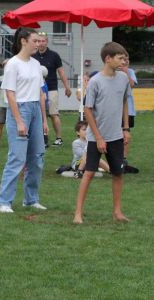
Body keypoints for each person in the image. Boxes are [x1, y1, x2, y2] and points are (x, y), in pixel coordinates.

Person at [73, 42, 131, 224]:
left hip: (116, 136)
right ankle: (78, 214)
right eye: (120, 58)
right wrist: (98, 137)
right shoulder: (95, 81)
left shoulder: (123, 78)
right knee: (89, 173)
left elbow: (124, 103)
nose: (124, 61)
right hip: (95, 138)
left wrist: (126, 129)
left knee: (118, 174)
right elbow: (88, 109)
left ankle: (117, 212)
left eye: (124, 58)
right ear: (108, 58)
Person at [0, 28, 49, 214]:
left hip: (35, 109)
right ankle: (3, 202)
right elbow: (10, 93)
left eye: (39, 41)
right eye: (35, 40)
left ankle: (31, 199)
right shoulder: (13, 64)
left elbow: (41, 94)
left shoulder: (35, 64)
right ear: (23, 41)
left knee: (37, 158)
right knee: (17, 158)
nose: (39, 43)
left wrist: (43, 120)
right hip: (20, 109)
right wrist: (19, 121)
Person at [33, 32, 72, 146]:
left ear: (47, 42)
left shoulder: (54, 55)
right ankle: (42, 139)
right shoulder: (33, 56)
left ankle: (59, 138)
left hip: (51, 89)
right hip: (36, 90)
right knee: (39, 115)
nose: (40, 43)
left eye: (43, 41)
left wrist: (67, 86)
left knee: (53, 114)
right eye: (38, 41)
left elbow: (61, 71)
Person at [120, 55, 139, 173]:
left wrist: (125, 70)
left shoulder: (130, 71)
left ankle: (124, 158)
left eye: (127, 59)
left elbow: (131, 85)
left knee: (126, 134)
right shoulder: (113, 71)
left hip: (128, 110)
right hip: (114, 110)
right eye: (123, 59)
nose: (125, 61)